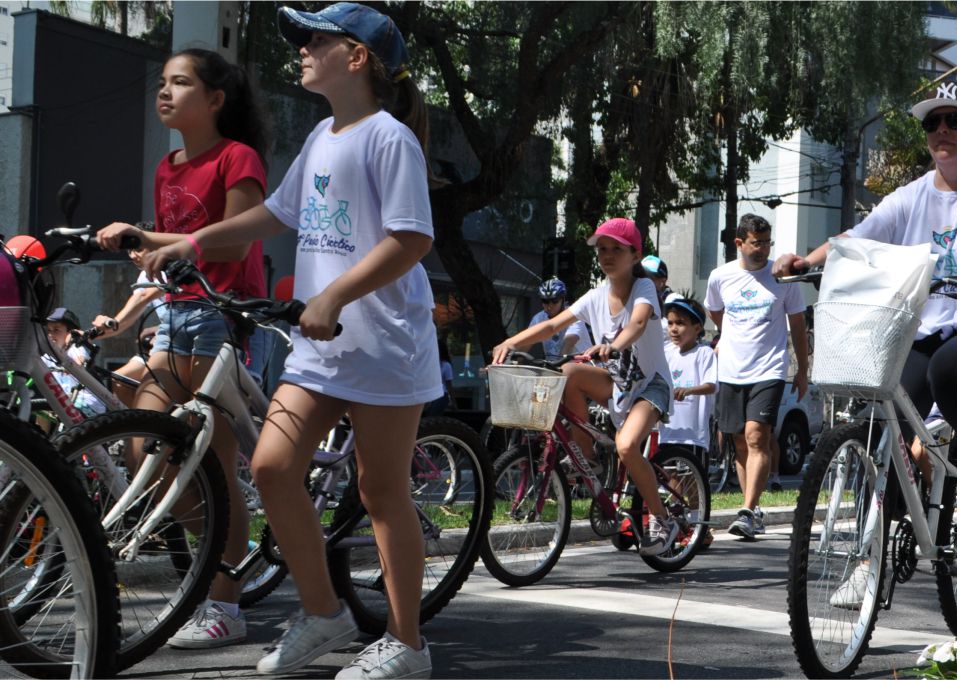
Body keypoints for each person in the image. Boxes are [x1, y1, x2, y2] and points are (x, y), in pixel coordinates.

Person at [140, 4, 440, 675]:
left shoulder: (389, 138)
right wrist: (188, 242)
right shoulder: (322, 135)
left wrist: (333, 296)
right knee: (272, 467)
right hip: (320, 348)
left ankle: (407, 645)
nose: (302, 48)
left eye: (315, 39)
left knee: (381, 493)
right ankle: (324, 614)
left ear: (356, 58)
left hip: (386, 345)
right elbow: (275, 213)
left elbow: (412, 239)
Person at [774, 81, 957, 532]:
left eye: (956, 120)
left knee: (949, 372)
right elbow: (856, 238)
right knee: (880, 423)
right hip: (923, 336)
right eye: (933, 122)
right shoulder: (909, 197)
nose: (942, 129)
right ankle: (875, 548)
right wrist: (806, 261)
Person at [95, 46, 270, 650]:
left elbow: (234, 245)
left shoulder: (237, 157)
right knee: (146, 450)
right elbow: (174, 244)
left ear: (215, 99)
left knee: (215, 467)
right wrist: (148, 252)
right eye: (163, 83)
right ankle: (233, 554)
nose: (165, 92)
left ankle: (227, 604)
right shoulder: (167, 166)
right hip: (174, 315)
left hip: (222, 316)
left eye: (180, 83)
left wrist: (147, 236)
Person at [493, 217, 681, 557]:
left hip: (650, 385)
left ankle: (663, 519)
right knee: (567, 372)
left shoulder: (644, 288)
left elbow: (638, 323)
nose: (607, 255)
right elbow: (552, 325)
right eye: (602, 249)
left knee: (627, 447)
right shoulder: (595, 296)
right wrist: (510, 342)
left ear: (635, 255)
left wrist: (614, 345)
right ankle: (588, 457)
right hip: (618, 384)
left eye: (616, 249)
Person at [709, 214, 809, 539]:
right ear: (739, 243)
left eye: (767, 243)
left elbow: (798, 324)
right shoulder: (720, 277)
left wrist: (803, 369)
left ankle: (748, 511)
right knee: (739, 441)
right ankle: (751, 508)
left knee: (756, 436)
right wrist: (727, 336)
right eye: (757, 243)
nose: (763, 249)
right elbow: (715, 311)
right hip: (731, 370)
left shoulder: (783, 279)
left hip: (769, 369)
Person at [658, 297, 717, 545]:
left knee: (692, 480)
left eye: (681, 323)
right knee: (672, 479)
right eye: (671, 323)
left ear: (697, 327)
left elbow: (711, 385)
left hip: (693, 434)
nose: (674, 329)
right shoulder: (666, 353)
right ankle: (679, 524)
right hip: (668, 430)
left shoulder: (704, 353)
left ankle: (699, 528)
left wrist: (688, 390)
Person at [529, 278, 588, 358]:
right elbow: (526, 342)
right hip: (553, 365)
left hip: (582, 364)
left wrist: (559, 361)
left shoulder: (574, 315)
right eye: (545, 301)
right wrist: (516, 362)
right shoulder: (538, 318)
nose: (550, 306)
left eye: (555, 301)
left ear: (563, 299)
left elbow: (569, 342)